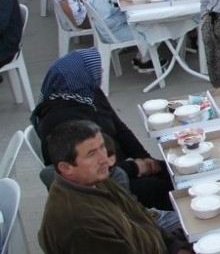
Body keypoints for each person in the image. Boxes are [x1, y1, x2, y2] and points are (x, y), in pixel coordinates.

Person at [33, 49, 173, 211]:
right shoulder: (61, 120)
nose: (101, 71)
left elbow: (120, 129)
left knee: (171, 170)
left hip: (118, 166)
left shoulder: (88, 95)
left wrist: (146, 159)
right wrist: (136, 167)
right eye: (94, 69)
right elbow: (87, 169)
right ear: (79, 77)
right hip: (102, 182)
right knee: (160, 188)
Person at [38, 120, 184, 254]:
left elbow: (141, 215)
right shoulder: (81, 224)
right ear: (66, 168)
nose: (104, 158)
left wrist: (176, 247)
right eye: (91, 154)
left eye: (102, 147)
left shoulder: (94, 179)